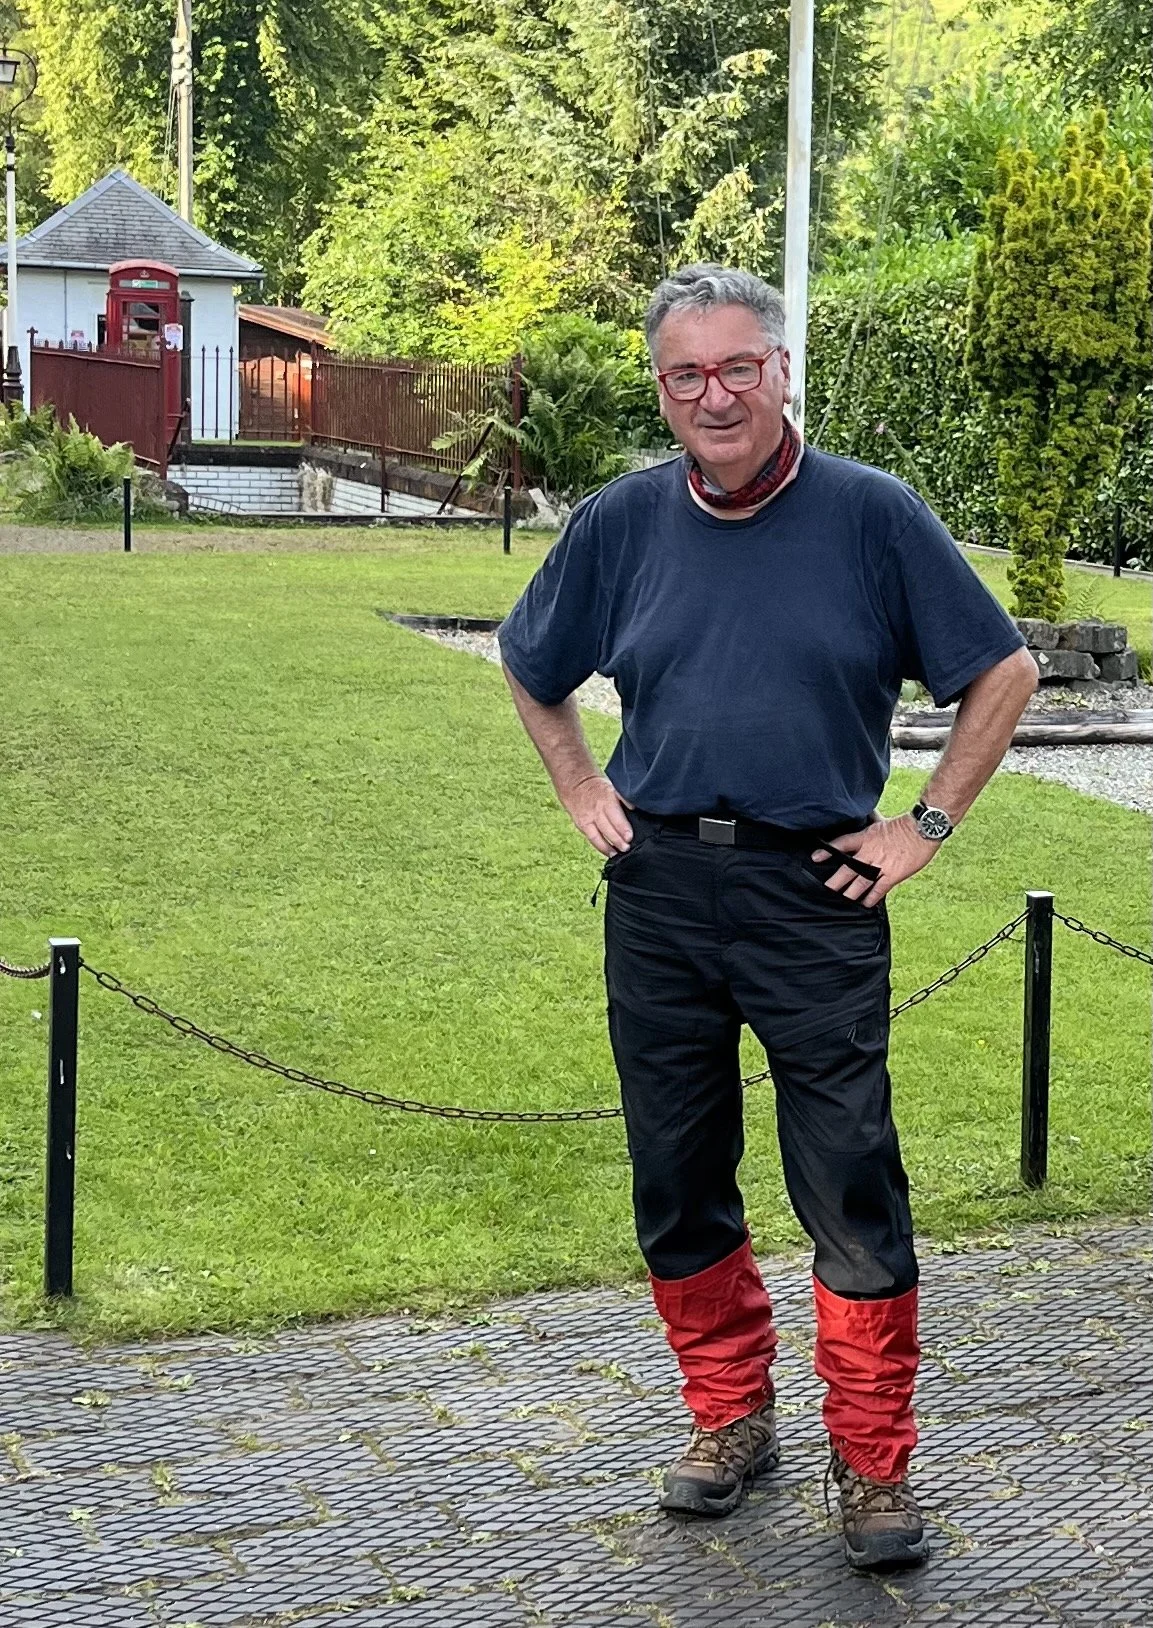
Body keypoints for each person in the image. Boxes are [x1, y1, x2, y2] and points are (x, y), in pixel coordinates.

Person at [497, 264, 1038, 1572]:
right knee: (677, 1174)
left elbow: (1003, 670)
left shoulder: (871, 518)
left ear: (783, 371)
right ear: (663, 388)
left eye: (740, 366)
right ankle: (731, 1419)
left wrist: (927, 826)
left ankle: (872, 1460)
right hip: (663, 891)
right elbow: (532, 666)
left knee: (850, 1181)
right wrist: (580, 782)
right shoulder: (621, 522)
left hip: (820, 890)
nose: (716, 394)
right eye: (688, 374)